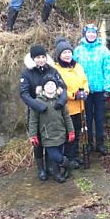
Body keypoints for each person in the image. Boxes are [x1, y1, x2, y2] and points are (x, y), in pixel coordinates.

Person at [19, 45, 68, 180]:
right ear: (33, 59)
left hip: (53, 110)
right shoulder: (27, 73)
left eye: (42, 57)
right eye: (38, 57)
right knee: (38, 142)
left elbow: (63, 87)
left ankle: (52, 167)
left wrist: (61, 101)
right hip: (36, 111)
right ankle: (41, 169)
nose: (41, 60)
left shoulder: (52, 70)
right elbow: (23, 93)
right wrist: (38, 105)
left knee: (52, 140)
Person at [73, 24, 110, 156]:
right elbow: (74, 70)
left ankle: (100, 143)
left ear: (96, 34)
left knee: (100, 118)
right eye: (89, 33)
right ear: (85, 34)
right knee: (87, 118)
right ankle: (89, 143)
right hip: (85, 91)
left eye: (93, 33)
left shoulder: (103, 50)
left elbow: (108, 69)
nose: (91, 35)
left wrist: (108, 87)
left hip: (100, 89)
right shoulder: (78, 50)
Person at [28, 75, 75, 183]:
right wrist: (33, 135)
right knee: (55, 155)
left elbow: (67, 117)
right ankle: (68, 164)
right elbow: (33, 120)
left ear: (56, 87)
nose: (50, 86)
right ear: (43, 87)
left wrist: (71, 131)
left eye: (52, 84)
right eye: (47, 84)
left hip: (60, 133)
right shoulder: (37, 102)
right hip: (47, 135)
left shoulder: (60, 101)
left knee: (55, 157)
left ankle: (57, 173)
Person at [54, 36, 89, 168]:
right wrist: (73, 95)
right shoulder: (56, 69)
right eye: (64, 53)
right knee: (69, 133)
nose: (67, 55)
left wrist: (85, 92)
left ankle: (74, 155)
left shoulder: (78, 66)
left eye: (69, 52)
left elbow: (85, 81)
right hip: (67, 108)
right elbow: (58, 88)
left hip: (80, 106)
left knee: (78, 132)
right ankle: (68, 157)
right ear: (59, 55)